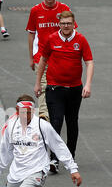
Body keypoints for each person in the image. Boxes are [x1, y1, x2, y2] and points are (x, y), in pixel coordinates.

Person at [34, 11, 93, 171]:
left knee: (72, 123)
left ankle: (70, 156)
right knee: (56, 122)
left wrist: (87, 84)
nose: (66, 26)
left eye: (69, 23)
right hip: (55, 88)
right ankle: (53, 159)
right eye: (63, 23)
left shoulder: (80, 40)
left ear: (74, 24)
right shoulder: (52, 39)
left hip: (74, 89)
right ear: (59, 24)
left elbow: (89, 61)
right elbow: (43, 60)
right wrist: (38, 83)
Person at [26, 0, 76, 123]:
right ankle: (43, 116)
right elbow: (31, 34)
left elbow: (72, 32)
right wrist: (31, 57)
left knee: (57, 87)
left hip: (60, 58)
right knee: (43, 85)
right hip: (41, 57)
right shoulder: (35, 11)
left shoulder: (64, 9)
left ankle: (56, 111)